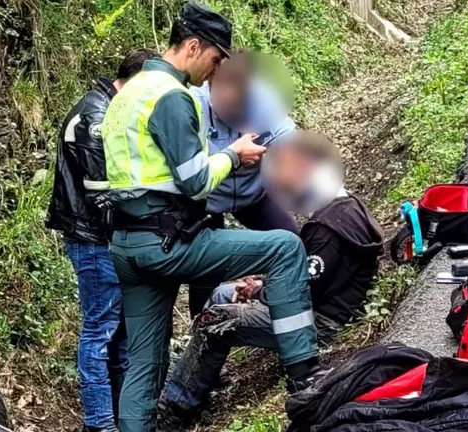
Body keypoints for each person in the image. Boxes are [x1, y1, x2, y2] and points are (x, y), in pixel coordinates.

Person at [100, 3, 323, 431]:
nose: (217, 68)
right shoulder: (172, 96)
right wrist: (233, 154)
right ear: (193, 45)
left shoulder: (127, 94)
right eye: (217, 58)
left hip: (126, 246)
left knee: (145, 362)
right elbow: (194, 180)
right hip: (167, 241)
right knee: (285, 248)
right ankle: (306, 380)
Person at [160, 133, 384, 427]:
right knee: (224, 294)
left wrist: (258, 293)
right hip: (329, 306)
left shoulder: (327, 229)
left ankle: (176, 408)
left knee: (214, 321)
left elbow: (302, 292)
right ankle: (205, 377)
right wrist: (259, 288)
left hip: (321, 323)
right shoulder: (347, 207)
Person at [46, 48, 160, 432]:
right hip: (93, 238)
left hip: (106, 237)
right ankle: (100, 423)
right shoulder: (95, 118)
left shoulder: (109, 110)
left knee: (120, 331)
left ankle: (124, 418)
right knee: (100, 331)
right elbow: (104, 193)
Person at [187, 51, 299, 316]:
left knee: (291, 238)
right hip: (208, 196)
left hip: (254, 194)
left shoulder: (265, 103)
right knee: (204, 267)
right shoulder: (192, 105)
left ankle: (284, 308)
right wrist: (232, 157)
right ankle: (200, 330)